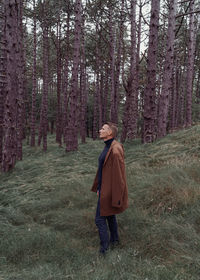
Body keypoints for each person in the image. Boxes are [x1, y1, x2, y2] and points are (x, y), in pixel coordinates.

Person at [91, 122, 128, 255]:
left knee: (99, 219)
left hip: (110, 191)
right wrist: (99, 188)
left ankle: (104, 250)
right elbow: (104, 170)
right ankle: (115, 241)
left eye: (103, 128)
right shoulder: (108, 146)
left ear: (110, 133)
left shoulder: (115, 149)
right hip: (104, 189)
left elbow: (119, 176)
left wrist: (117, 195)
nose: (100, 130)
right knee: (110, 216)